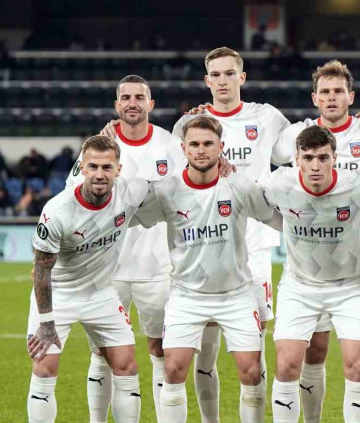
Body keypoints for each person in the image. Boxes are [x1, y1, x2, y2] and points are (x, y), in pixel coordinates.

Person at [275, 60, 360, 423]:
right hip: (309, 262)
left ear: (351, 95)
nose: (332, 98)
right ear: (314, 98)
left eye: (338, 91)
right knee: (314, 349)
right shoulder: (295, 136)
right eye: (325, 92)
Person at [134, 116, 281, 423]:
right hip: (187, 295)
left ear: (221, 147)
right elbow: (125, 216)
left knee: (252, 371)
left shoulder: (238, 184)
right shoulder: (166, 191)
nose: (201, 150)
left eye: (208, 144)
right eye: (195, 144)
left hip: (236, 294)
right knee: (172, 368)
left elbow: (275, 216)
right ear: (183, 148)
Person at [173, 47, 292, 422]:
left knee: (252, 351)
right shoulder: (189, 124)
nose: (223, 81)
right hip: (206, 246)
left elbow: (304, 148)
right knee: (205, 348)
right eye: (216, 75)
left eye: (229, 74)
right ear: (207, 81)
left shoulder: (268, 117)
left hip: (254, 247)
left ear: (242, 77)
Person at [73, 75, 186, 422]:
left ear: (150, 104)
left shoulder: (170, 145)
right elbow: (73, 196)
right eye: (126, 97)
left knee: (160, 351)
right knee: (102, 352)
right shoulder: (98, 147)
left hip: (158, 269)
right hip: (107, 269)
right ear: (117, 106)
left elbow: (190, 191)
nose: (133, 103)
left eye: (140, 97)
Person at [27, 135, 149, 423]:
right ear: (81, 167)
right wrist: (46, 323)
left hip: (101, 294)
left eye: (107, 167)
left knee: (127, 366)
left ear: (118, 169)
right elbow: (41, 269)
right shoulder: (57, 211)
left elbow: (176, 188)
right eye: (92, 166)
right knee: (44, 369)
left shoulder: (130, 193)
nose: (99, 174)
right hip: (59, 296)